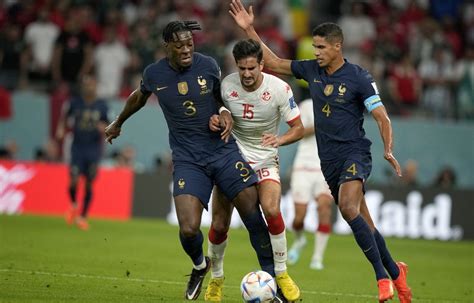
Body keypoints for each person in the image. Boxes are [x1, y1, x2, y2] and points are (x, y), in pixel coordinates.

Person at [229, 1, 412, 302]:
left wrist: (388, 150)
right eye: (314, 47)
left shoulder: (358, 77)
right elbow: (273, 63)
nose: (315, 52)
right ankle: (397, 272)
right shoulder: (311, 70)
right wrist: (249, 28)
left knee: (349, 209)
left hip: (355, 153)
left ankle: (382, 278)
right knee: (365, 223)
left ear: (337, 47)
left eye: (321, 48)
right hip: (329, 162)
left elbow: (381, 116)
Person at [104, 21, 278, 301]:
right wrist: (118, 121)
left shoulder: (208, 65)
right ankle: (200, 266)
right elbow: (139, 96)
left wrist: (224, 113)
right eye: (180, 45)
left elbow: (221, 97)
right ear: (167, 46)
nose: (186, 49)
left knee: (253, 217)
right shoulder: (154, 73)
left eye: (189, 44)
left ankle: (273, 282)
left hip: (222, 151)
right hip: (187, 159)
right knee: (187, 228)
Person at [205, 39, 303, 302]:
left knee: (271, 209)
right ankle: (216, 279)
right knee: (218, 223)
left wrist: (279, 140)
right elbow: (215, 111)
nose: (246, 74)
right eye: (241, 69)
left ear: (262, 64)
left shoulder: (280, 89)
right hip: (232, 159)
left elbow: (299, 128)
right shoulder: (226, 85)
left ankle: (281, 273)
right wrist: (217, 117)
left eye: (251, 68)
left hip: (266, 160)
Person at [56, 74, 109, 230]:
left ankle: (83, 216)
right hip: (77, 147)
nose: (89, 87)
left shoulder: (102, 105)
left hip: (93, 149)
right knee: (73, 180)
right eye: (86, 85)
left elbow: (108, 125)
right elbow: (64, 118)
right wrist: (61, 129)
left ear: (96, 87)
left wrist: (104, 129)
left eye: (92, 85)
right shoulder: (74, 102)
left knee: (89, 183)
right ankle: (73, 204)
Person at [287, 98, 334, 271]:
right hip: (303, 167)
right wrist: (320, 125)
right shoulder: (305, 105)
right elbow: (298, 131)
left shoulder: (337, 104)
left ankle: (317, 257)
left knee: (324, 207)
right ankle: (300, 240)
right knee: (299, 218)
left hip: (325, 167)